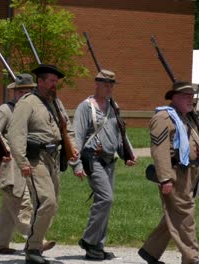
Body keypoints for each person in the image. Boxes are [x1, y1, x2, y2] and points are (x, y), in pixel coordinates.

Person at [138, 82, 199, 264]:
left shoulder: (187, 117)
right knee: (185, 215)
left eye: (192, 96)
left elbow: (197, 143)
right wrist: (165, 178)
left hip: (192, 173)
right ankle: (191, 259)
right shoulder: (163, 118)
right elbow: (159, 150)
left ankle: (150, 251)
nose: (190, 99)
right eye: (185, 96)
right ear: (173, 97)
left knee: (175, 214)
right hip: (176, 174)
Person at [6, 64, 79, 264]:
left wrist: (72, 147)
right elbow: (16, 133)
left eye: (56, 81)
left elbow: (66, 127)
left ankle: (34, 245)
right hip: (35, 158)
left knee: (52, 204)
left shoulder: (55, 102)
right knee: (46, 201)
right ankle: (33, 249)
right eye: (51, 81)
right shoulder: (27, 103)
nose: (55, 85)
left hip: (53, 159)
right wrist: (21, 161)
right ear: (40, 82)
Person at [70, 69, 137, 260]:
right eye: (106, 84)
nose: (109, 88)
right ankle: (89, 240)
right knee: (106, 199)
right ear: (96, 84)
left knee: (105, 204)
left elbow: (120, 133)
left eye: (112, 85)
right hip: (93, 159)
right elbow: (78, 136)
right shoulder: (86, 107)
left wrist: (128, 154)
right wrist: (76, 165)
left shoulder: (113, 106)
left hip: (110, 160)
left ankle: (97, 247)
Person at [0, 73, 55, 254]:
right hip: (10, 166)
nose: (25, 94)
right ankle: (37, 240)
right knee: (22, 204)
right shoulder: (6, 110)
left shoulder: (33, 107)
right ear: (14, 92)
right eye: (21, 91)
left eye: (28, 90)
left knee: (8, 206)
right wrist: (7, 148)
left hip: (29, 163)